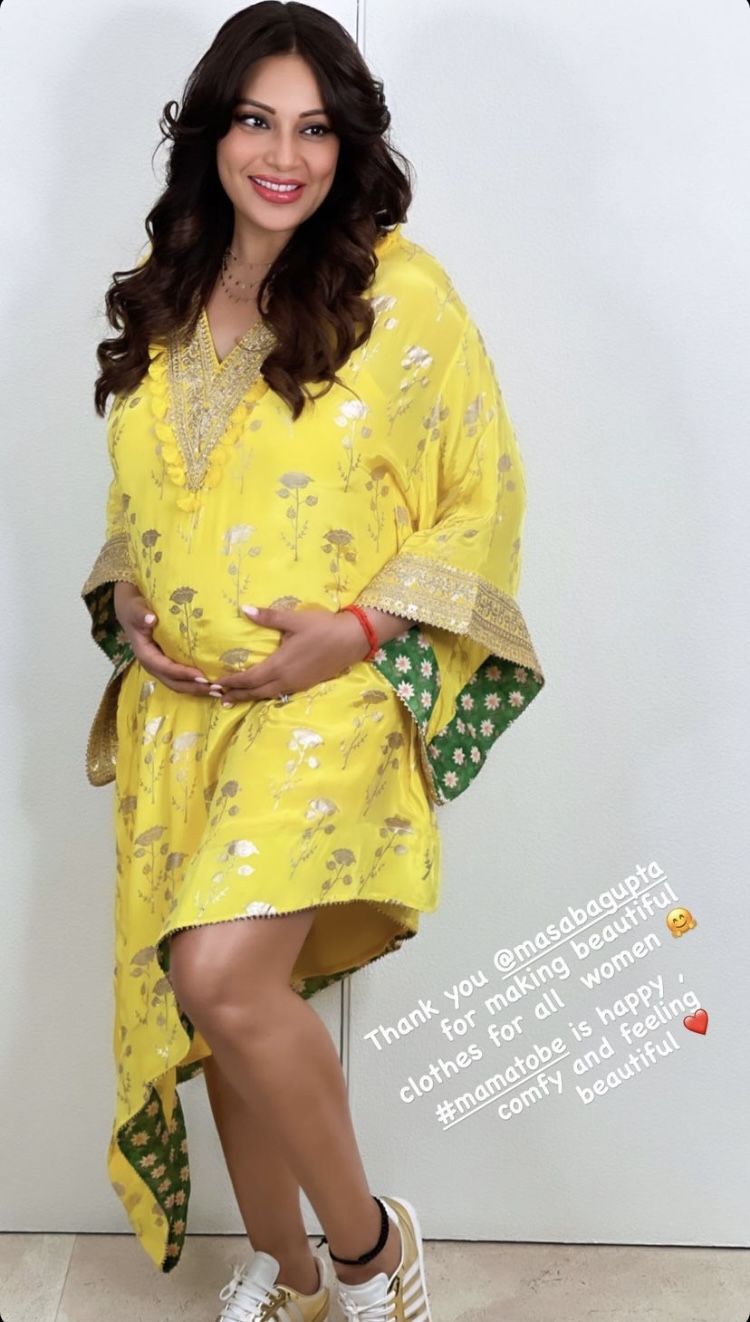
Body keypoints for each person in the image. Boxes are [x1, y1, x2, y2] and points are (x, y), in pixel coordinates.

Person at [81, 3, 546, 1319]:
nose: (282, 156)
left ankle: (369, 1250)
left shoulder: (401, 293)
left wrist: (359, 630)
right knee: (230, 1001)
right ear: (211, 132)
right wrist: (126, 594)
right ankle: (287, 1277)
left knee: (220, 974)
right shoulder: (170, 288)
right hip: (183, 711)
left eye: (314, 129)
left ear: (348, 148)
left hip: (326, 701)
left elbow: (482, 493)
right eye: (255, 121)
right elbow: (142, 496)